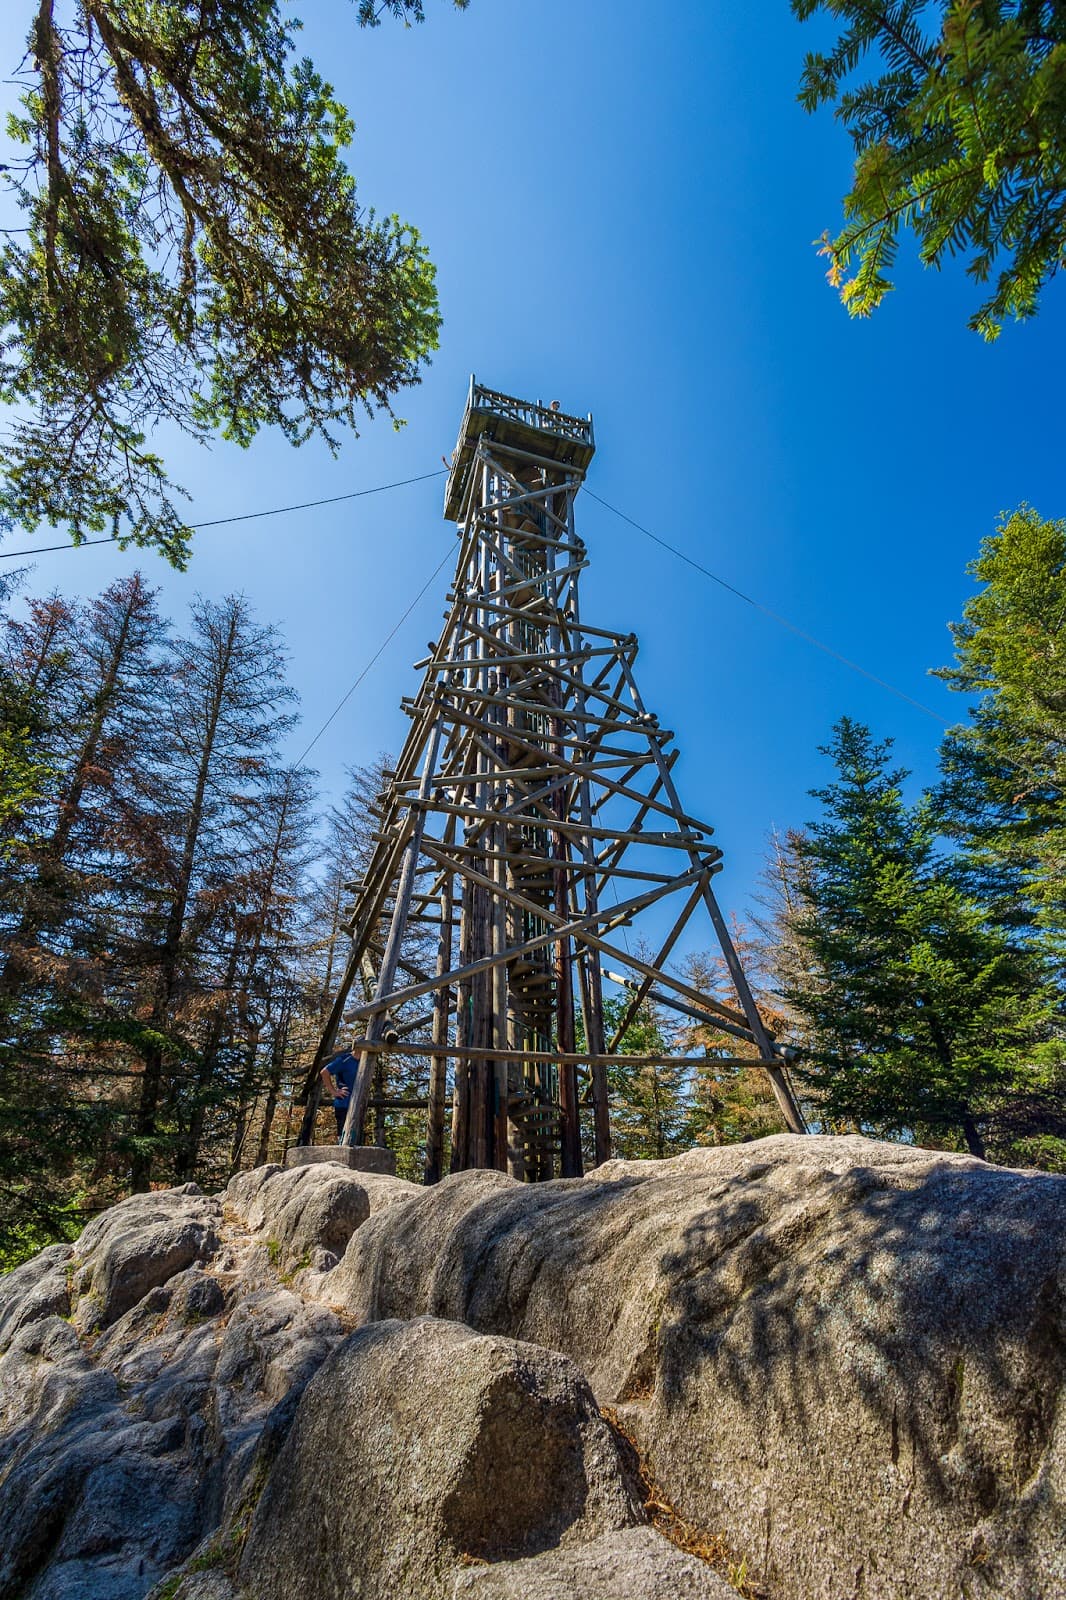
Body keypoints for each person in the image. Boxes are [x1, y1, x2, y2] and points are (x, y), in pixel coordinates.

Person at [320, 1049, 359, 1140]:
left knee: (356, 1138)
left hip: (358, 1104)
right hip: (344, 1103)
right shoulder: (344, 1059)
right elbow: (324, 1072)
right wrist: (334, 1091)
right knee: (343, 1137)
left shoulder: (366, 1061)